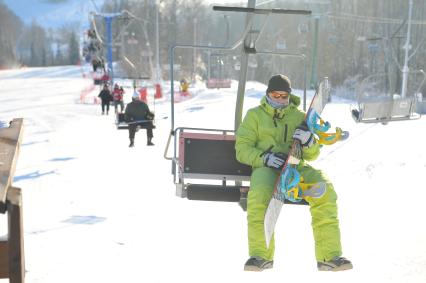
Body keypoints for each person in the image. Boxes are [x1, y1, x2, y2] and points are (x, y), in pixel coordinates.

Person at [235, 74, 352, 272]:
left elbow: (313, 154)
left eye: (284, 96)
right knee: (260, 195)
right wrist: (266, 157)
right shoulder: (254, 115)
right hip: (267, 168)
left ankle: (329, 256)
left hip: (295, 166)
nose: (280, 99)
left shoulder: (299, 117)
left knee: (325, 190)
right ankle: (260, 255)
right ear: (268, 94)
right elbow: (242, 149)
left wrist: (309, 142)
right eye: (276, 95)